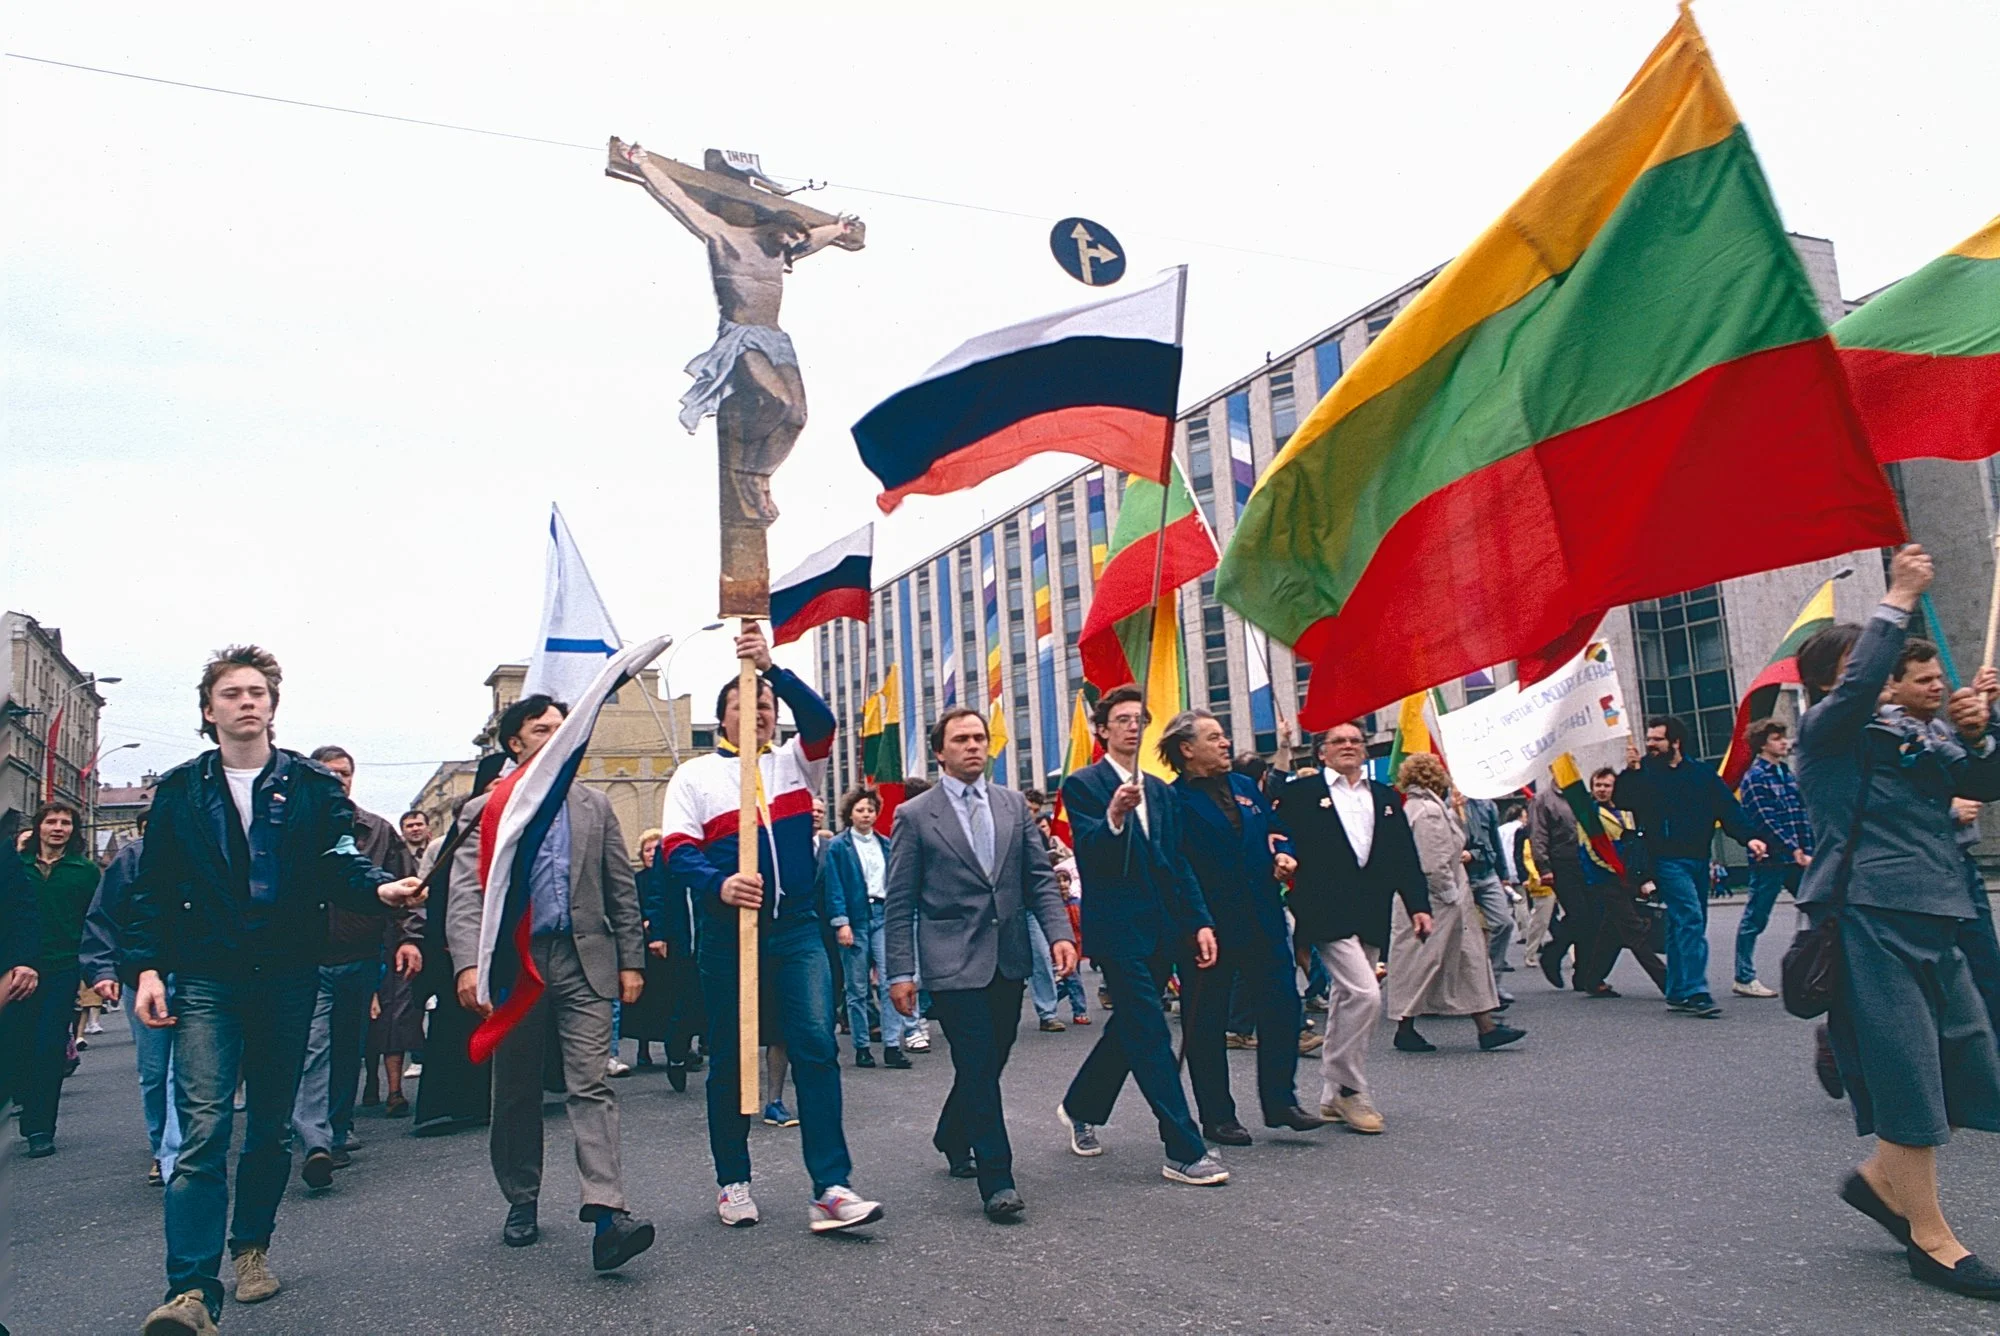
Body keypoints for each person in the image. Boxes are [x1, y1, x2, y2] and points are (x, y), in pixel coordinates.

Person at [125, 644, 424, 1336]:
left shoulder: (313, 786)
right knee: (203, 1128)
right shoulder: (179, 790)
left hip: (290, 973)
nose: (247, 701)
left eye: (257, 691)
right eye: (231, 693)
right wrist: (146, 968)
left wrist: (380, 890)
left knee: (267, 1126)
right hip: (206, 977)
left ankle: (251, 1247)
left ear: (273, 706)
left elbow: (338, 862)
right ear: (209, 710)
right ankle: (191, 1291)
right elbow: (154, 890)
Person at [1792, 545, 2000, 1300]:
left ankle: (1883, 1182)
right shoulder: (1827, 736)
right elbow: (1852, 697)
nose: (1883, 681)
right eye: (1866, 670)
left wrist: (1978, 729)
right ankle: (1931, 1239)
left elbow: (1984, 782)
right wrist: (1899, 596)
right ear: (1830, 685)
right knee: (1906, 1070)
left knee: (1967, 1060)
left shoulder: (1908, 737)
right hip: (1867, 918)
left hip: (1940, 910)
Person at [660, 622, 882, 1234]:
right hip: (727, 936)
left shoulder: (792, 763)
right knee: (733, 1060)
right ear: (722, 718)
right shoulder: (696, 776)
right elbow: (676, 850)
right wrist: (719, 883)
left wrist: (772, 668)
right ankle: (733, 1180)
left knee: (814, 1044)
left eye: (765, 706)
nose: (757, 712)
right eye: (744, 704)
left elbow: (822, 725)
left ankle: (831, 1188)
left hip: (795, 930)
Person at [447, 693, 655, 1273]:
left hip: (585, 959)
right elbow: (466, 893)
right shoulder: (487, 809)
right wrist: (469, 963)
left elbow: (621, 885)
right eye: (542, 730)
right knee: (515, 1090)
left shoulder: (593, 806)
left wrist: (631, 961)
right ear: (515, 742)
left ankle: (608, 1211)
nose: (556, 737)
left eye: (562, 729)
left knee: (591, 1084)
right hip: (518, 967)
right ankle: (522, 1196)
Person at [884, 706, 1076, 1221]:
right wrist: (901, 971)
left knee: (993, 1057)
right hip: (951, 958)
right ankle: (998, 1179)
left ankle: (951, 1132)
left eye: (980, 737)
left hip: (1008, 955)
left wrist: (1059, 934)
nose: (973, 745)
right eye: (961, 739)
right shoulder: (915, 815)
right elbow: (900, 900)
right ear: (940, 751)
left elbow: (1038, 878)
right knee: (975, 1061)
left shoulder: (1013, 805)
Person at [1054, 686, 1226, 1187]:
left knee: (1130, 1027)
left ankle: (1080, 1104)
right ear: (1102, 730)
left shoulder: (1163, 790)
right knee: (1150, 1032)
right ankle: (1183, 1147)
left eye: (1139, 719)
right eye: (1123, 719)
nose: (1133, 726)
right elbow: (1090, 851)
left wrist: (1199, 921)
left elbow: (1179, 863)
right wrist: (1116, 815)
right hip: (1118, 930)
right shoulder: (1084, 785)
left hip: (1165, 927)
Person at [1159, 709, 1324, 1146]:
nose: (1225, 743)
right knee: (1207, 1022)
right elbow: (1176, 866)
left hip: (1263, 918)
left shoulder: (1247, 787)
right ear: (1187, 749)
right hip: (1207, 928)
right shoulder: (1173, 801)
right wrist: (1196, 923)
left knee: (1283, 1007)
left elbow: (1276, 828)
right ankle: (1218, 1115)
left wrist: (1285, 852)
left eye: (1224, 736)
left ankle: (1281, 1101)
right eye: (1214, 737)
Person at [1273, 722, 1431, 1135]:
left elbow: (1404, 855)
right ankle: (1348, 1088)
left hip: (1371, 911)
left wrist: (1419, 906)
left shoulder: (1384, 797)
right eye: (1337, 741)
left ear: (1364, 750)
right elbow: (1276, 835)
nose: (1347, 747)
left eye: (1355, 741)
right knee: (1364, 994)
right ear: (1321, 752)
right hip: (1323, 910)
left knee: (1348, 997)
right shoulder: (1300, 794)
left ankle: (1330, 1097)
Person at [289, 746, 417, 1193]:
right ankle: (315, 1140)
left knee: (349, 1046)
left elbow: (403, 888)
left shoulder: (379, 831)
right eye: (328, 773)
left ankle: (337, 1128)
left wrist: (407, 941)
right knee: (313, 1047)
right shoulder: (295, 828)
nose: (338, 780)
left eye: (345, 773)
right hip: (308, 957)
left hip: (361, 956)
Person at [1614, 717, 1777, 1018]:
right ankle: (1695, 990)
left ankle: (1676, 991)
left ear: (1675, 742)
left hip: (1698, 858)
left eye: (1657, 739)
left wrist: (1750, 838)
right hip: (1665, 859)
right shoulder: (1645, 773)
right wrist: (1630, 771)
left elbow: (1728, 809)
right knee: (1689, 917)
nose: (1650, 744)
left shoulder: (1701, 774)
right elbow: (1622, 799)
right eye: (1648, 739)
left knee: (1683, 923)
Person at [1386, 754, 1527, 1054]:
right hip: (1439, 902)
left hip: (1441, 900)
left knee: (1466, 961)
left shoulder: (1421, 807)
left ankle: (1485, 1026)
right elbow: (1434, 861)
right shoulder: (1428, 812)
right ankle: (1405, 1025)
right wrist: (1448, 893)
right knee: (1425, 964)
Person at [80, 811, 182, 1185]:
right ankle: (161, 1148)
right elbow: (102, 917)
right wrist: (103, 970)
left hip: (198, 980)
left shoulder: (208, 854)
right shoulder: (132, 858)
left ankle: (177, 1156)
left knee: (184, 1072)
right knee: (155, 1072)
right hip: (143, 980)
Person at [411, 766, 502, 1138]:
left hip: (502, 942)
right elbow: (441, 893)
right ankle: (452, 1103)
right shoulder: (450, 841)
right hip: (459, 942)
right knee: (458, 1021)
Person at [8, 800, 99, 1157]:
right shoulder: (16, 868)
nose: (58, 828)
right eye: (51, 821)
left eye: (65, 823)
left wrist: (95, 969)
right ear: (38, 827)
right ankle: (23, 1100)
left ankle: (40, 1128)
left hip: (61, 969)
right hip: (13, 969)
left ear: (73, 831)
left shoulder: (85, 871)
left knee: (48, 1046)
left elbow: (96, 921)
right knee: (16, 1042)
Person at [819, 787, 910, 1069]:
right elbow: (833, 888)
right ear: (850, 814)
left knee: (889, 980)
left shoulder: (886, 844)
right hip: (855, 918)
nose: (866, 815)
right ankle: (862, 1045)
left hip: (883, 914)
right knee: (856, 987)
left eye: (870, 810)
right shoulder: (838, 846)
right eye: (860, 810)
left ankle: (893, 1045)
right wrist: (841, 923)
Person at [1733, 719, 1814, 998]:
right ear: (1763, 744)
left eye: (1784, 737)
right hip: (1770, 859)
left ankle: (1819, 967)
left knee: (1816, 907)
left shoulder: (1785, 773)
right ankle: (1744, 976)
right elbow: (1766, 821)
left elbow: (1801, 815)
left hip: (1795, 858)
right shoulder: (1755, 777)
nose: (1784, 743)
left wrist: (1807, 848)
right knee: (1756, 917)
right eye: (1777, 738)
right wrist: (1794, 848)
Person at [1573, 769, 1667, 998]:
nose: (1602, 790)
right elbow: (1591, 852)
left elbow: (1634, 847)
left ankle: (1592, 980)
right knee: (1635, 932)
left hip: (1626, 879)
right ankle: (1669, 983)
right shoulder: (1589, 815)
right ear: (1592, 788)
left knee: (1612, 932)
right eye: (1598, 785)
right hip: (1605, 880)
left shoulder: (1624, 813)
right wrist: (1619, 872)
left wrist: (1640, 875)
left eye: (1607, 785)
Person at [634, 828, 704, 1089]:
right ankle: (677, 1053)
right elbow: (657, 893)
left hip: (711, 932)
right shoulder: (670, 847)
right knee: (682, 1000)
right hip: (680, 936)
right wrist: (658, 935)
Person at [1528, 780, 1591, 990]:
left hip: (1586, 862)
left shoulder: (1581, 795)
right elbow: (1538, 834)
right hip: (1561, 862)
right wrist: (1543, 866)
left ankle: (1583, 973)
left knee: (1588, 918)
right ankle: (1553, 953)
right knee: (1580, 913)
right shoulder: (1543, 799)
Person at [1459, 791, 1516, 1002]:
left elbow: (1494, 841)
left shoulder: (1487, 805)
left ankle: (1492, 984)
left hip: (1486, 872)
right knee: (1462, 934)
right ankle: (1465, 989)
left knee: (1504, 923)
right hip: (1460, 875)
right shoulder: (1446, 801)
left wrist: (1504, 874)